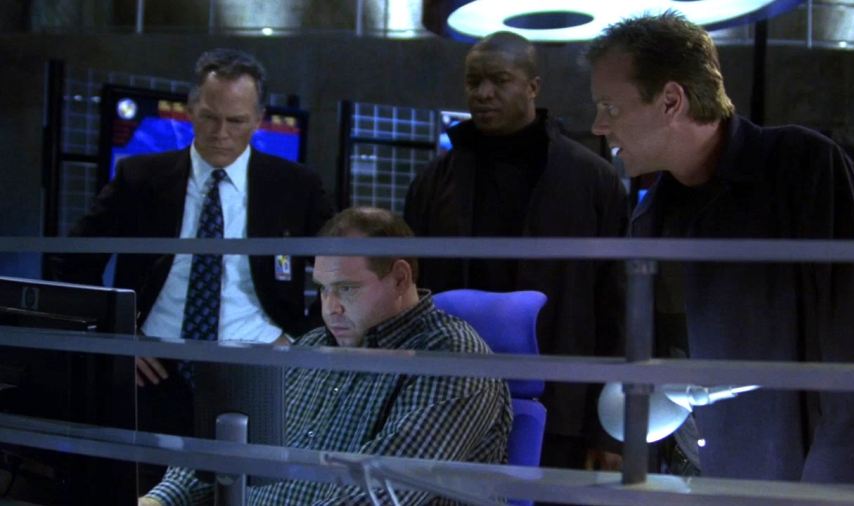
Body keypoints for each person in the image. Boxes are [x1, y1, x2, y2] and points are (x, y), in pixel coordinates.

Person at [586, 12, 854, 483]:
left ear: (671, 101)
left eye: (610, 107)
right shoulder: (652, 218)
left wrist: (830, 483)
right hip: (698, 476)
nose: (598, 126)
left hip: (798, 479)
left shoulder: (804, 167)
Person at [48, 49, 332, 444]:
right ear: (191, 108)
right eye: (210, 117)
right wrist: (117, 335)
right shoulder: (139, 178)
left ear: (258, 119)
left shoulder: (296, 186)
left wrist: (302, 342)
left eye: (236, 121)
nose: (221, 133)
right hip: (152, 366)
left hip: (259, 362)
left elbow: (345, 268)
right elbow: (72, 260)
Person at [140, 207, 513, 505]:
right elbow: (227, 447)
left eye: (346, 289)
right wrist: (159, 500)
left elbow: (381, 494)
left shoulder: (452, 362)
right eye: (322, 289)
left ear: (400, 278)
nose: (330, 307)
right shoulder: (311, 347)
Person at [404, 31, 629, 470]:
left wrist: (611, 431)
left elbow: (616, 307)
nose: (483, 93)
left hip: (561, 406)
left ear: (532, 86)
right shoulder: (434, 182)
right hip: (451, 404)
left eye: (499, 80)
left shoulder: (591, 180)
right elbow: (410, 297)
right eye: (474, 82)